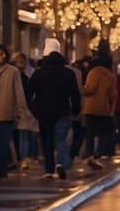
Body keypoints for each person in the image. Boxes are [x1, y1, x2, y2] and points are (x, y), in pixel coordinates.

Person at [29, 38, 81, 179]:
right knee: (60, 139)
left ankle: (49, 169)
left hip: (43, 112)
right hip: (62, 111)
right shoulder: (68, 73)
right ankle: (62, 163)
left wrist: (33, 109)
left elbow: (29, 90)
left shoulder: (39, 73)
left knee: (47, 140)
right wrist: (76, 110)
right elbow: (75, 94)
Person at [0, 44, 28, 179]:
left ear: (5, 55)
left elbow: (19, 91)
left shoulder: (13, 71)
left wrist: (20, 109)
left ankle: (2, 170)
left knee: (4, 143)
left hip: (8, 112)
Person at [80, 52, 116, 170]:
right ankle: (98, 155)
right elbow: (113, 95)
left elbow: (90, 89)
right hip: (104, 108)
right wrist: (111, 110)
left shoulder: (93, 72)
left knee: (89, 133)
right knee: (102, 133)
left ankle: (89, 155)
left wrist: (83, 88)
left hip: (91, 108)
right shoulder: (110, 76)